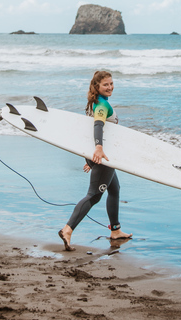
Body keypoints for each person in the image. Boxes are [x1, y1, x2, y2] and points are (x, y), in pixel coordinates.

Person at [58, 71, 133, 251]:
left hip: (100, 155)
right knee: (94, 195)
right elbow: (97, 125)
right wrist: (98, 149)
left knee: (114, 190)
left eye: (111, 83)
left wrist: (89, 158)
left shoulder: (93, 103)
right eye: (106, 85)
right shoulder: (101, 105)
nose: (110, 87)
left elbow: (86, 132)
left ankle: (115, 230)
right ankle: (67, 229)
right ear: (97, 87)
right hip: (103, 156)